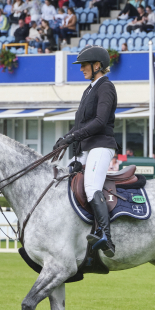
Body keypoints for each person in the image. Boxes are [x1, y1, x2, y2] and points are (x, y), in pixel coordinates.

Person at [53, 45, 117, 258]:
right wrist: (65, 139)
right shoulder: (89, 89)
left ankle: (105, 237)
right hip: (86, 146)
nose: (81, 69)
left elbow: (99, 121)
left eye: (84, 65)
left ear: (97, 65)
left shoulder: (106, 87)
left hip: (101, 145)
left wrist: (74, 136)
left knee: (91, 186)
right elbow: (81, 123)